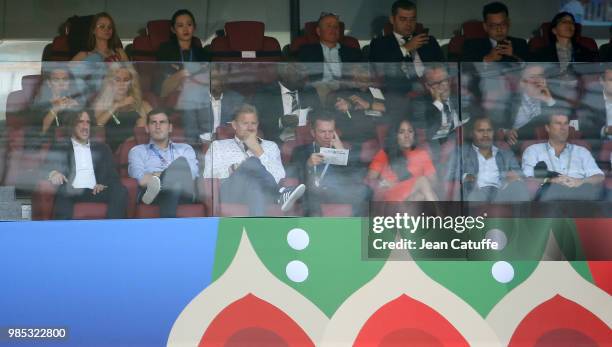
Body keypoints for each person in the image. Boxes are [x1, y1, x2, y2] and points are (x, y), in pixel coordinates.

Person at [203, 104, 305, 215]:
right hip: (231, 192)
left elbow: (279, 177)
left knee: (254, 186)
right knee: (252, 162)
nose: (250, 128)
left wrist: (258, 151)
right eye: (245, 123)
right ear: (234, 125)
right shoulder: (218, 146)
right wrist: (234, 168)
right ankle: (280, 195)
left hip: (262, 193)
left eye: (253, 123)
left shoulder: (270, 146)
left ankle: (256, 230)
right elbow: (208, 176)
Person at [44, 109, 127, 219]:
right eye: (80, 122)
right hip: (72, 190)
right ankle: (63, 233)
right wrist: (53, 173)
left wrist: (103, 185)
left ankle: (113, 231)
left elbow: (113, 177)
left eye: (88, 122)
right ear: (72, 125)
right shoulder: (61, 146)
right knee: (63, 192)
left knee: (120, 190)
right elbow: (46, 167)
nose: (85, 126)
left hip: (95, 190)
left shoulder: (103, 148)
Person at [288, 113, 370, 216]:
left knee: (364, 191)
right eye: (322, 132)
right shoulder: (300, 152)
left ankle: (356, 228)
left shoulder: (344, 150)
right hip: (311, 194)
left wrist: (341, 151)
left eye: (330, 131)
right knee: (310, 196)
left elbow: (357, 176)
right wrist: (308, 165)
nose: (327, 136)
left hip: (337, 193)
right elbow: (293, 180)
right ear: (313, 133)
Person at [128, 109, 199, 218]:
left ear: (170, 127)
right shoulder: (137, 151)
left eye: (162, 122)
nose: (158, 126)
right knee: (174, 186)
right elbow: (140, 179)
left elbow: (191, 174)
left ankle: (159, 185)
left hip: (184, 193)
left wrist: (157, 176)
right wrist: (173, 175)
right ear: (147, 128)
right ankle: (168, 231)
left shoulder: (185, 149)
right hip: (151, 195)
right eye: (153, 123)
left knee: (181, 163)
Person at [156, 9, 211, 144]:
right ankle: (194, 146)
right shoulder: (165, 51)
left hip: (199, 94)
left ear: (194, 27)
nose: (185, 29)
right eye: (180, 26)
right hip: (174, 97)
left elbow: (208, 80)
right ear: (173, 30)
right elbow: (162, 83)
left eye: (189, 24)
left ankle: (208, 142)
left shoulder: (202, 53)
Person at [522, 112, 604, 201]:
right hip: (546, 200)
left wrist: (581, 181)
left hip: (579, 199)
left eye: (566, 124)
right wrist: (551, 181)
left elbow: (599, 176)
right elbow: (526, 177)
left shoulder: (581, 151)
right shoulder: (533, 150)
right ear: (547, 128)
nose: (563, 128)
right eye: (558, 123)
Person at [446, 116, 528, 202]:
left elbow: (520, 176)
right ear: (472, 133)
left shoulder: (505, 153)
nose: (485, 134)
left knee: (519, 187)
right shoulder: (462, 152)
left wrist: (514, 177)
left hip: (500, 193)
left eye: (489, 130)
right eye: (480, 131)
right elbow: (451, 175)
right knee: (474, 195)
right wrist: (466, 177)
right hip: (475, 192)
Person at [367, 119, 438, 202]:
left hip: (412, 200)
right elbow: (370, 180)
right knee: (422, 181)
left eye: (410, 131)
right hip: (391, 200)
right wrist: (383, 183)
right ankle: (441, 214)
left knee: (420, 196)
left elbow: (434, 181)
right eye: (402, 132)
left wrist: (415, 192)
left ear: (414, 135)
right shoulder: (384, 154)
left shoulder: (422, 154)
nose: (407, 135)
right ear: (396, 135)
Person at [251, 63, 320, 143]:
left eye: (304, 73)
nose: (303, 77)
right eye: (297, 74)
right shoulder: (265, 94)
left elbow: (320, 114)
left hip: (306, 140)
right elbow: (256, 121)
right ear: (284, 75)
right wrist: (281, 121)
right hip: (275, 141)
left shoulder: (309, 91)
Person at [93, 63, 152, 152]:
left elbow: (160, 123)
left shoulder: (143, 104)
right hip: (115, 152)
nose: (122, 84)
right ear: (110, 81)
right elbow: (96, 125)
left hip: (139, 149)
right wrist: (116, 105)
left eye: (126, 80)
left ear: (131, 82)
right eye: (117, 79)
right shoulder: (102, 104)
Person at [495, 64, 557, 147]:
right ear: (522, 83)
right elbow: (494, 127)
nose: (538, 80)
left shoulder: (554, 101)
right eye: (532, 77)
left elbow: (568, 124)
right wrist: (506, 132)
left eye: (540, 76)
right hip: (517, 146)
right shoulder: (509, 101)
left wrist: (549, 100)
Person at [28, 64, 84, 148]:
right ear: (49, 83)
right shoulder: (40, 104)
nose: (61, 83)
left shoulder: (76, 102)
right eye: (56, 80)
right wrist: (56, 109)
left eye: (65, 79)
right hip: (50, 150)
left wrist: (78, 109)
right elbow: (39, 134)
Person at [328, 64, 386, 143]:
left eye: (361, 72)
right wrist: (349, 107)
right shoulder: (343, 94)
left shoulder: (376, 91)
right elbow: (339, 110)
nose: (357, 77)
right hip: (357, 136)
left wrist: (368, 105)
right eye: (354, 74)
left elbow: (385, 108)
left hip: (378, 133)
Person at [298, 12, 362, 82]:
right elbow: (299, 79)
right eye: (329, 26)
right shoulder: (306, 52)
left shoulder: (353, 53)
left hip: (345, 91)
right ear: (319, 31)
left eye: (336, 27)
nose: (333, 29)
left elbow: (363, 77)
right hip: (315, 91)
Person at [462, 2, 529, 62]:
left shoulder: (521, 44)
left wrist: (514, 56)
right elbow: (464, 69)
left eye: (503, 24)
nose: (499, 29)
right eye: (493, 25)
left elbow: (532, 69)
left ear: (509, 23)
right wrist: (487, 59)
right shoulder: (471, 45)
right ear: (485, 27)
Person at [533, 12, 598, 72]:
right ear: (554, 30)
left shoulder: (584, 51)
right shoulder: (542, 53)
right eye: (564, 22)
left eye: (572, 22)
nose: (569, 25)